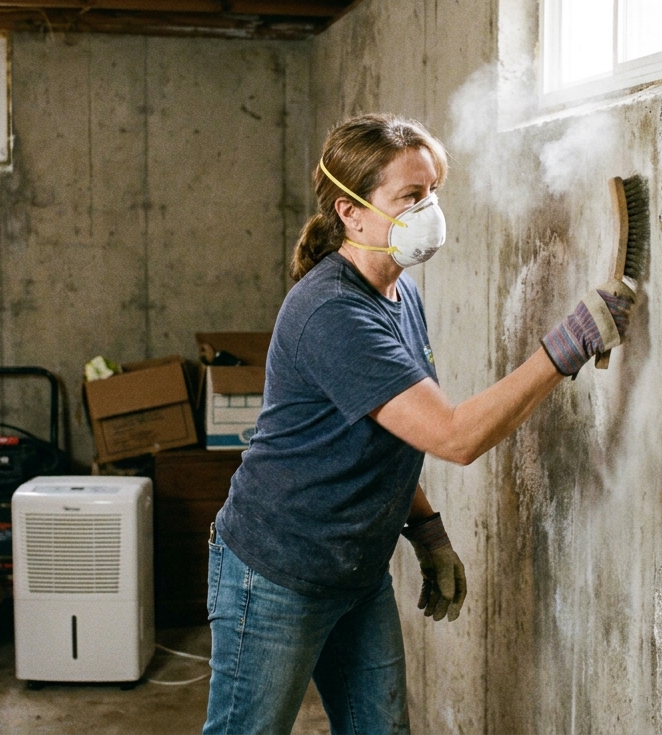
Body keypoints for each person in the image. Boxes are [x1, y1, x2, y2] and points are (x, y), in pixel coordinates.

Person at [204, 114, 637, 734]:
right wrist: (564, 348)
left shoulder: (399, 295)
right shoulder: (332, 312)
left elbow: (389, 437)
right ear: (350, 211)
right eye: (409, 197)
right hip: (279, 572)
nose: (428, 210)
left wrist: (426, 528)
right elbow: (453, 436)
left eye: (432, 192)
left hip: (357, 570)